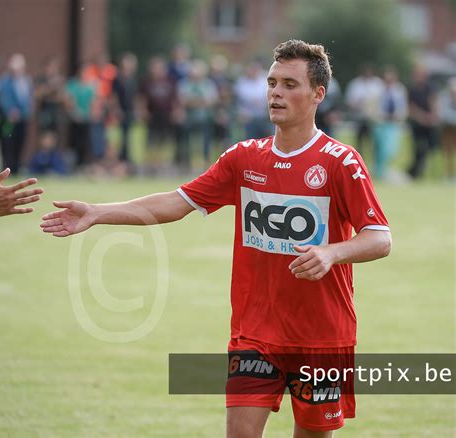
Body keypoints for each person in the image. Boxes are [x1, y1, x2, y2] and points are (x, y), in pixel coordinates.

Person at [40, 40, 391, 437]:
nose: (276, 92)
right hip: (254, 331)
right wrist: (98, 212)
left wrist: (332, 252)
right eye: (272, 82)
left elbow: (379, 238)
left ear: (317, 94)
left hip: (322, 335)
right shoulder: (244, 157)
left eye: (290, 84)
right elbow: (177, 201)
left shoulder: (340, 161)